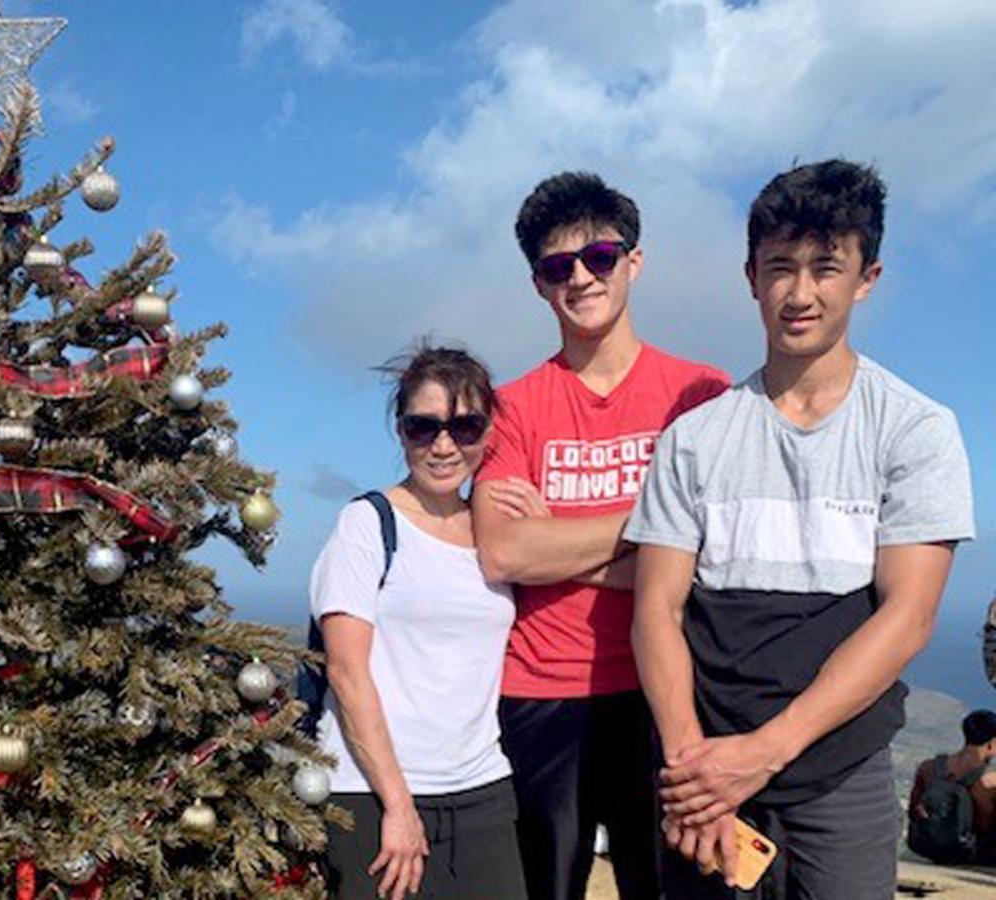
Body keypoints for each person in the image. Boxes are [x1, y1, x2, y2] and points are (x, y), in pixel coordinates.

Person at [627, 159, 976, 898]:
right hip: (706, 770)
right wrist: (696, 766)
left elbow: (908, 619)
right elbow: (656, 608)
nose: (800, 291)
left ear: (867, 277)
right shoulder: (693, 439)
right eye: (780, 266)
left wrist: (762, 754)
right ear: (750, 276)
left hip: (839, 775)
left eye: (827, 266)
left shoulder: (915, 431)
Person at [471, 172, 729, 900]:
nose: (581, 278)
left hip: (669, 690)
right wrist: (653, 532)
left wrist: (556, 542)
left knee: (672, 889)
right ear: (538, 285)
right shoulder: (512, 407)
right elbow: (503, 552)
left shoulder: (701, 394)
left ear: (634, 263)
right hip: (541, 693)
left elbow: (714, 556)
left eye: (600, 258)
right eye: (559, 268)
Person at [311, 344, 528, 900]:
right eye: (423, 427)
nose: (444, 445)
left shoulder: (494, 529)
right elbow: (345, 671)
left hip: (482, 789)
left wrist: (540, 524)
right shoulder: (367, 524)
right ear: (400, 430)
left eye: (465, 426)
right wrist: (399, 805)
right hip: (374, 793)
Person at [908, 710, 996, 865]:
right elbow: (986, 823)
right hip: (974, 855)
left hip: (927, 848)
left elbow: (913, 809)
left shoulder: (928, 768)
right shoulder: (989, 780)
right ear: (991, 743)